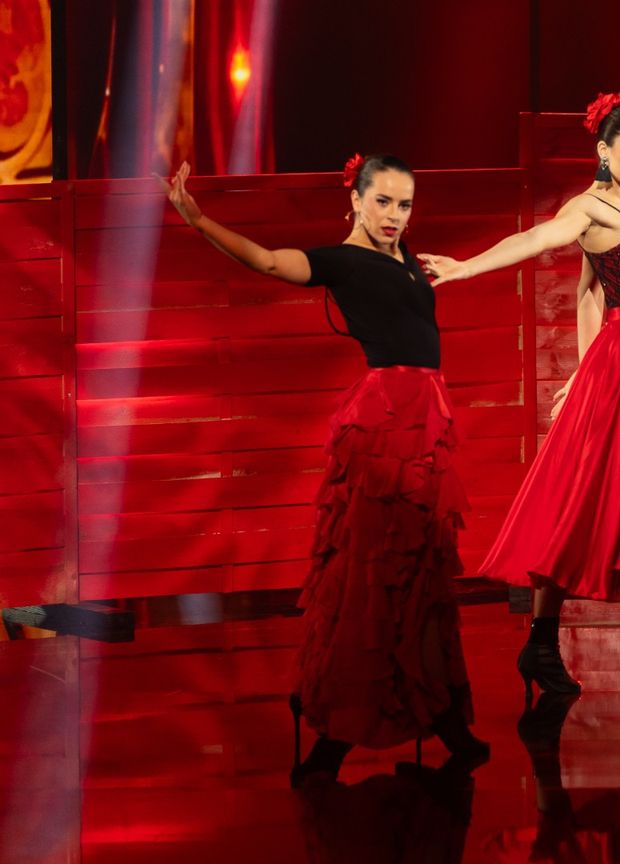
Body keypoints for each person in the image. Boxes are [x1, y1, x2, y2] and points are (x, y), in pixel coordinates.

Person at [160, 155, 487, 787]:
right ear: (356, 200)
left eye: (404, 204)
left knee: (421, 573)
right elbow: (266, 261)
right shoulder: (343, 260)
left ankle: (443, 719)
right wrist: (199, 220)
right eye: (383, 201)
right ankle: (336, 738)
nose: (394, 215)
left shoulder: (405, 256)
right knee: (373, 573)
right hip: (387, 423)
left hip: (426, 417)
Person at [419, 94, 620, 712]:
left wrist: (581, 368)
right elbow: (537, 238)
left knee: (605, 494)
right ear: (604, 150)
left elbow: (589, 291)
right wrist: (463, 268)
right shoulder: (588, 207)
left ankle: (545, 645)